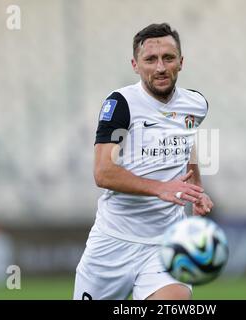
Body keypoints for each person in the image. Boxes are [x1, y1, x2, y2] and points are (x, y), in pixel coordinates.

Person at [73, 23, 213, 300]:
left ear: (181, 62)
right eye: (150, 59)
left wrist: (196, 187)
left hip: (165, 244)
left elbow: (187, 140)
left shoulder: (196, 104)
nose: (160, 67)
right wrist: (159, 188)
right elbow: (103, 173)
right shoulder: (120, 105)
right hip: (114, 242)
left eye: (168, 58)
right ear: (136, 65)